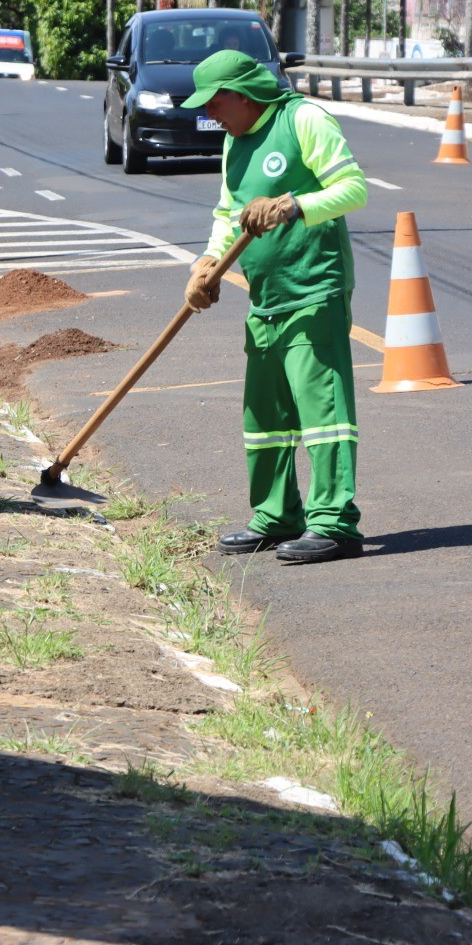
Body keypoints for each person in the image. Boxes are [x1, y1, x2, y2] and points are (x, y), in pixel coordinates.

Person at [179, 50, 368, 564]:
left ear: (242, 93)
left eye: (214, 103)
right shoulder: (232, 143)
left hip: (314, 288)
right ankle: (276, 516)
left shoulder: (302, 119)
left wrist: (292, 205)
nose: (209, 114)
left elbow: (353, 189)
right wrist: (209, 262)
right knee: (265, 416)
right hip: (265, 296)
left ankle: (334, 523)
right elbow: (227, 212)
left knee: (322, 411)